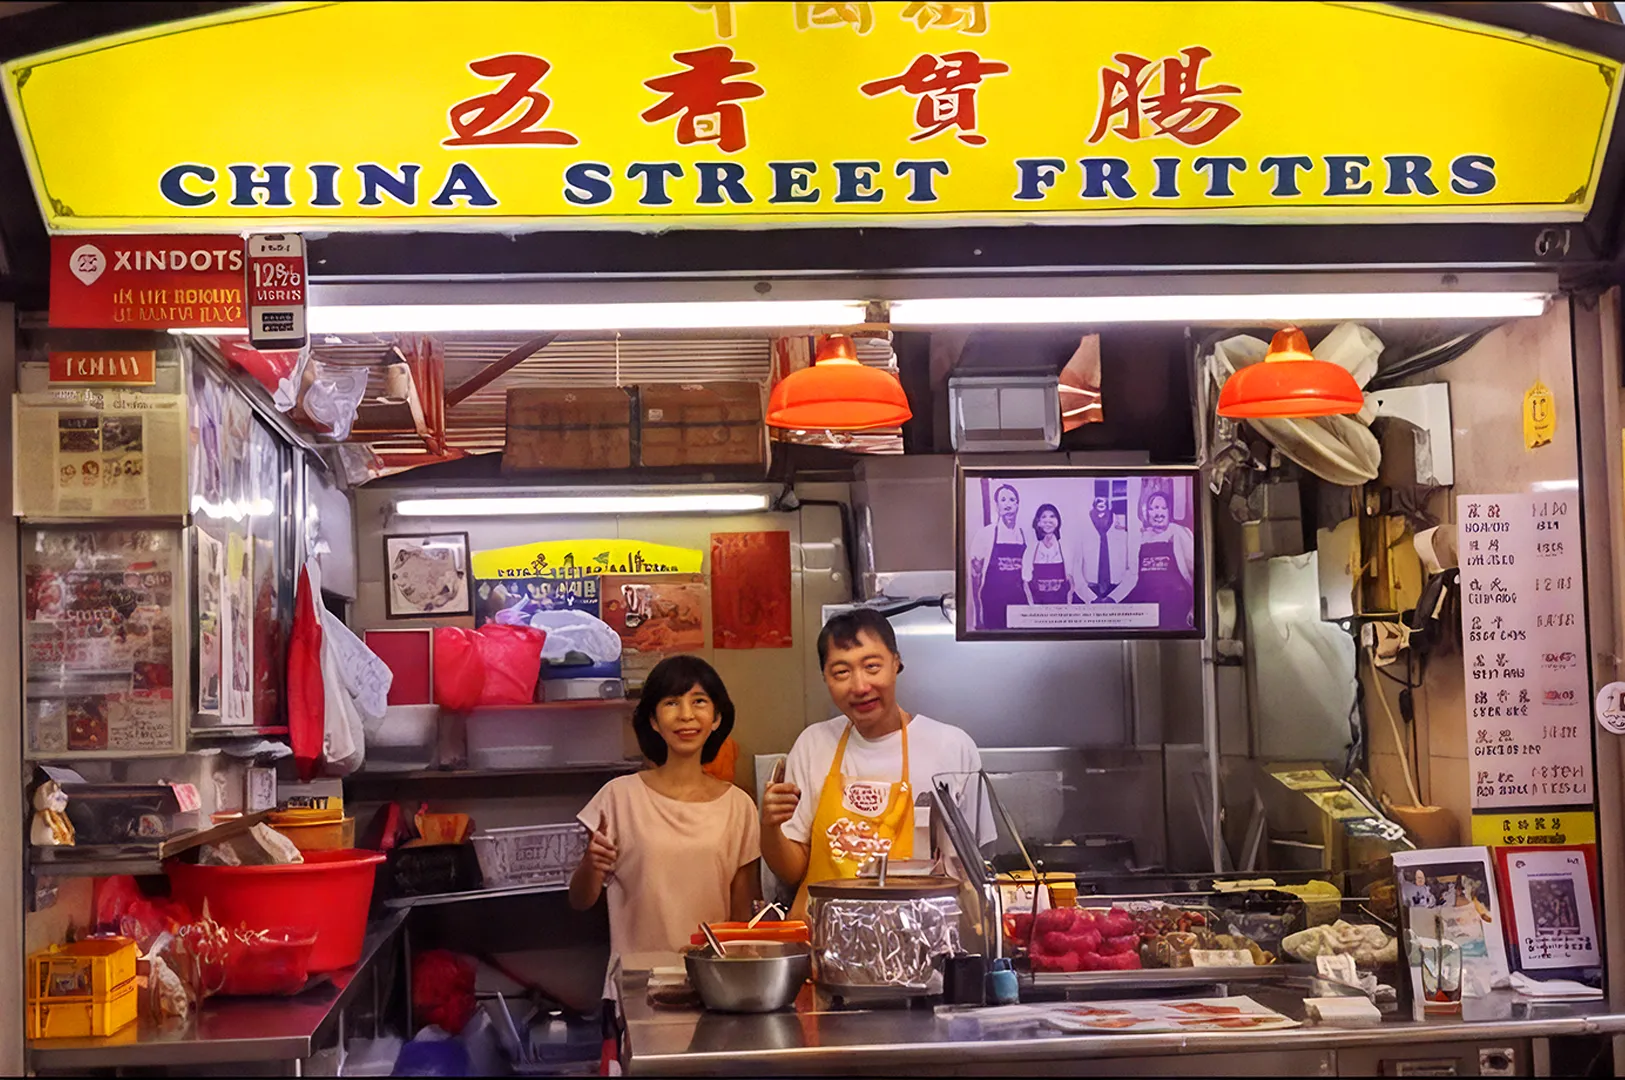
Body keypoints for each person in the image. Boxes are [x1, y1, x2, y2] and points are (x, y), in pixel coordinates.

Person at [760, 609, 997, 918]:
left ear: (896, 662)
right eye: (841, 672)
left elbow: (972, 871)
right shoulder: (813, 744)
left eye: (872, 666)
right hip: (822, 936)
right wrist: (769, 828)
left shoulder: (951, 747)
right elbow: (793, 871)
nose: (860, 686)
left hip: (916, 937)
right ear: (825, 678)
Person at [569, 655, 760, 987]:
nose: (686, 715)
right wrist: (591, 865)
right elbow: (580, 900)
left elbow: (742, 916)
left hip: (711, 982)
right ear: (654, 721)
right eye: (671, 702)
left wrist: (740, 980)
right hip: (636, 985)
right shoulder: (618, 797)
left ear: (716, 717)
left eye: (698, 701)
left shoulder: (739, 806)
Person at [1109, 487, 1196, 628]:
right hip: (1144, 612)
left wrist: (1195, 606)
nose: (1158, 513)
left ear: (1169, 511)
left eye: (1163, 508)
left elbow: (1196, 573)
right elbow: (1131, 575)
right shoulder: (1140, 537)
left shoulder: (1180, 533)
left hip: (1175, 611)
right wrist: (1112, 599)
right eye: (1154, 508)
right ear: (1147, 512)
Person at [968, 484, 1029, 630]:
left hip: (1019, 604)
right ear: (997, 506)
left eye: (1012, 500)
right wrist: (978, 616)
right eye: (1003, 500)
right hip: (992, 604)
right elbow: (975, 578)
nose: (1008, 505)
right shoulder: (984, 535)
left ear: (1017, 505)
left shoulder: (1025, 535)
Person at [1022, 503, 1077, 605]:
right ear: (1038, 522)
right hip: (1039, 607)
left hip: (1061, 607)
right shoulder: (1031, 549)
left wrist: (1068, 607)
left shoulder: (1065, 548)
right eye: (1044, 517)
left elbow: (1070, 583)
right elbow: (1026, 583)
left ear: (1058, 521)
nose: (1048, 521)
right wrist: (1032, 608)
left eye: (1052, 516)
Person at [1079, 496, 1130, 602]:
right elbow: (1075, 569)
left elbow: (1131, 569)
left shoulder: (1122, 529)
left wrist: (1115, 597)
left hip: (1118, 589)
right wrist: (1090, 598)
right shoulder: (1082, 528)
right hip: (1089, 590)